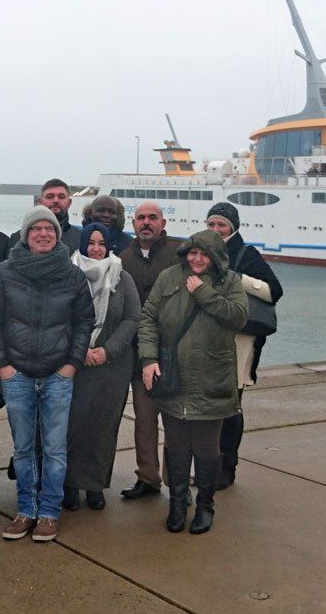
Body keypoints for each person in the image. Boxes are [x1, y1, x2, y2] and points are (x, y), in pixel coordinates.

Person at [0, 206, 94, 542]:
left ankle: (48, 512)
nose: (43, 234)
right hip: (16, 374)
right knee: (23, 448)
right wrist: (3, 365)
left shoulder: (71, 273)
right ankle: (25, 510)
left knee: (55, 448)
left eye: (49, 229)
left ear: (57, 235)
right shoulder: (6, 271)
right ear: (25, 234)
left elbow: (84, 321)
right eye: (36, 229)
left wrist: (70, 365)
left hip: (57, 374)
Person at [137, 230, 247, 534]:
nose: (197, 259)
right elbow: (148, 319)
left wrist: (203, 292)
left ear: (215, 256)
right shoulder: (168, 277)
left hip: (212, 377)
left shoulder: (230, 282)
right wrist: (148, 359)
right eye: (192, 253)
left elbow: (238, 317)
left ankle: (205, 505)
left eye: (204, 253)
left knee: (207, 450)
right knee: (176, 447)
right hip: (174, 377)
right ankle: (176, 503)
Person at [204, 202, 283, 489]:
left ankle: (227, 467)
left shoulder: (246, 254)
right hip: (209, 337)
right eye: (211, 224)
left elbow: (274, 290)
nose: (215, 230)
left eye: (221, 225)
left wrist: (239, 279)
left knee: (231, 406)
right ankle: (208, 464)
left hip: (240, 339)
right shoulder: (202, 251)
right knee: (210, 405)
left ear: (233, 227)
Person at [63, 223, 139, 511]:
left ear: (109, 245)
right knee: (72, 426)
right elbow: (59, 315)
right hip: (74, 364)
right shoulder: (68, 275)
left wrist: (107, 351)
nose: (96, 248)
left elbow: (132, 318)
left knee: (102, 428)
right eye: (90, 242)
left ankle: (94, 485)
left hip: (111, 367)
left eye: (101, 243)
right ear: (82, 244)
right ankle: (69, 483)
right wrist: (78, 350)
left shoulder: (122, 278)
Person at [116, 202, 180, 500]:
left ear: (162, 222)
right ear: (133, 222)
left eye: (152, 218)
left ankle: (177, 479)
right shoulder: (122, 259)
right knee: (144, 421)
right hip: (138, 355)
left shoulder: (179, 254)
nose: (146, 223)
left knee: (177, 424)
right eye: (140, 218)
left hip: (174, 353)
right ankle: (148, 477)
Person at [7, 179, 80, 256]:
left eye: (61, 197)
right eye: (50, 197)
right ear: (40, 202)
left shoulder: (80, 238)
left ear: (69, 203)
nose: (56, 200)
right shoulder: (18, 238)